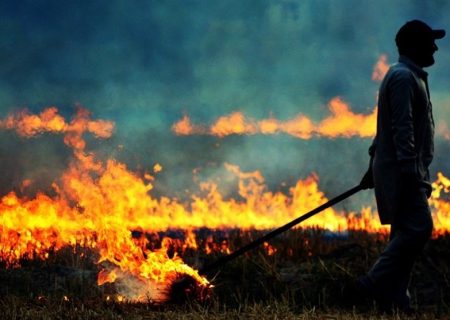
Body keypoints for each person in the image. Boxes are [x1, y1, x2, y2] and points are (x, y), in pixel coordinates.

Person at [358, 19, 446, 312]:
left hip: (405, 170)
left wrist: (374, 167)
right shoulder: (403, 78)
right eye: (429, 42)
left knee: (404, 233)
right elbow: (400, 128)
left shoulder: (410, 76)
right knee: (419, 228)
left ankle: (396, 299)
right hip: (403, 172)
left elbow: (384, 130)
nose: (435, 47)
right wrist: (410, 172)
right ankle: (369, 286)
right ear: (413, 46)